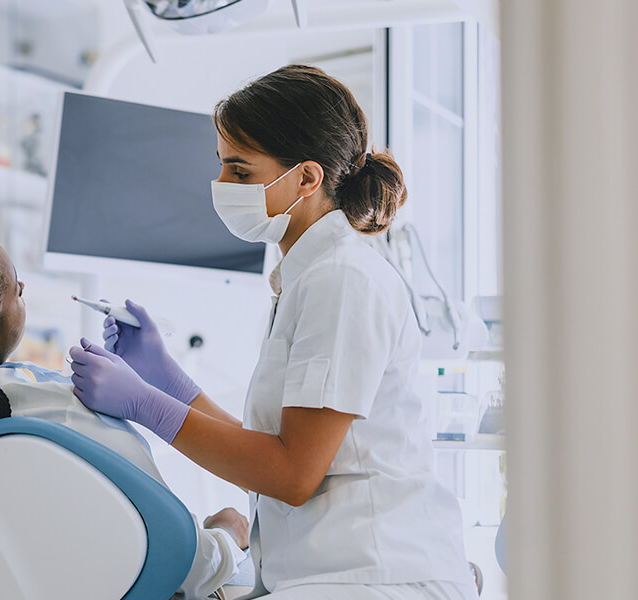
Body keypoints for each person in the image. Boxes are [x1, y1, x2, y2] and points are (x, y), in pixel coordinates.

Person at [68, 64, 478, 600]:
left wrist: (145, 404)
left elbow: (290, 474)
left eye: (240, 172)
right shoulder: (307, 276)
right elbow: (270, 451)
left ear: (307, 178)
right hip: (329, 573)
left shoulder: (342, 280)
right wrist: (166, 379)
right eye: (221, 166)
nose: (221, 186)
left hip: (375, 575)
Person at [0, 230, 249, 600]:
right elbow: (185, 565)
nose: (23, 286)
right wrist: (228, 534)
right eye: (16, 290)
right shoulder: (63, 414)